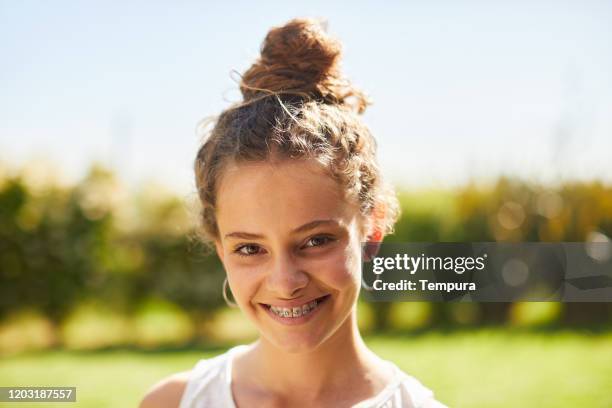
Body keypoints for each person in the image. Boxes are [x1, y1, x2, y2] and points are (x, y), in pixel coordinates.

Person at [140, 18, 446, 408]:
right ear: (220, 247)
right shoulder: (173, 402)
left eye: (316, 241)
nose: (286, 283)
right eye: (250, 249)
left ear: (372, 228)